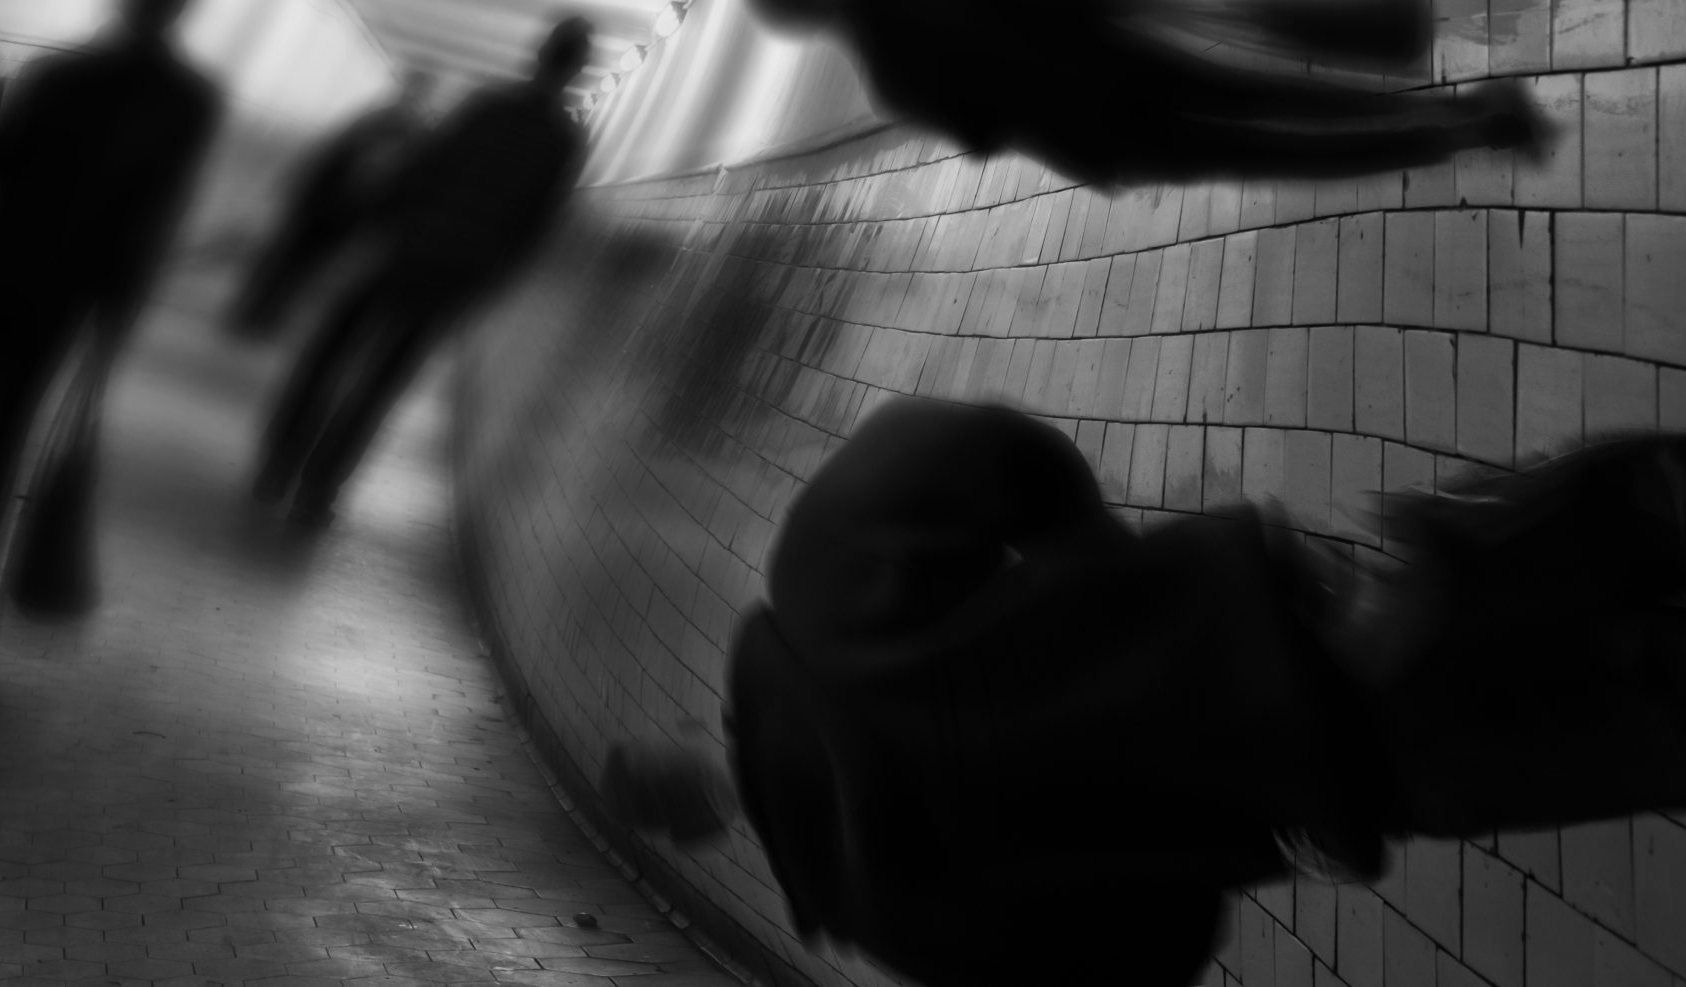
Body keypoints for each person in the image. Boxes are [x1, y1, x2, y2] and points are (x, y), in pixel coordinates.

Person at [603, 398, 1686, 987]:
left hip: (1370, 780)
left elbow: (1152, 955)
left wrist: (1205, 832)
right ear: (695, 725)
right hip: (1333, 612)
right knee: (1635, 523)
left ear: (710, 833)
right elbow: (962, 445)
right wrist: (1111, 576)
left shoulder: (896, 926)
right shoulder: (821, 597)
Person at [0, 0, 222, 705]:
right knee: (1, 450)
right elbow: (156, 217)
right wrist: (115, 328)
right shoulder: (191, 100)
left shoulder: (57, 72)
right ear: (183, 7)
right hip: (61, 298)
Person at [745, 0, 1546, 187]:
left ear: (801, 27)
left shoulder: (890, 81)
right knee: (1269, 94)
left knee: (1273, 156)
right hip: (1105, 53)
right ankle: (1462, 113)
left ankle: (1460, 135)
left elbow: (983, 138)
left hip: (1099, 136)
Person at [254, 16, 592, 526]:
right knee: (382, 380)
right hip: (455, 273)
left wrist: (374, 227)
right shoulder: (562, 141)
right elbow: (533, 224)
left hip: (402, 253)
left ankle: (279, 463)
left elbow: (425, 167)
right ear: (578, 69)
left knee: (330, 352)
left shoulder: (487, 107)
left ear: (541, 53)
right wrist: (488, 283)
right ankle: (318, 485)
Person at [225, 67, 436, 340]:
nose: (410, 94)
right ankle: (256, 314)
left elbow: (335, 156)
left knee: (292, 262)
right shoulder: (391, 125)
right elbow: (330, 157)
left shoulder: (393, 126)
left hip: (340, 209)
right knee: (292, 262)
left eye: (415, 89)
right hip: (331, 205)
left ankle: (258, 315)